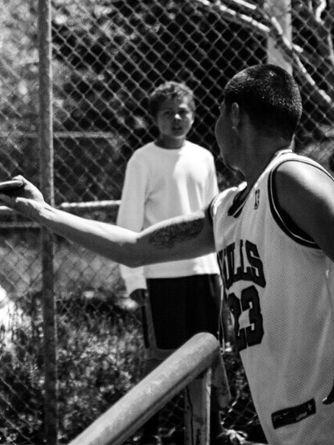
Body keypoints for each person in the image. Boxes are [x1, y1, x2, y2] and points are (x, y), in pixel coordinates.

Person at [0, 64, 334, 445]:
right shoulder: (228, 207)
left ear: (234, 116)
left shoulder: (292, 177)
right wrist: (43, 212)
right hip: (292, 415)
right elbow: (135, 248)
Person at [116, 81, 225, 442]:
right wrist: (135, 280)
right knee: (162, 362)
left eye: (183, 112)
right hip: (161, 277)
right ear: (155, 119)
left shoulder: (204, 157)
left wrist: (222, 271)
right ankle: (149, 434)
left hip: (205, 274)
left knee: (206, 357)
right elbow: (129, 223)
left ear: (193, 115)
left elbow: (214, 219)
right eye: (168, 113)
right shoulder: (143, 160)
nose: (177, 119)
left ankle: (207, 431)